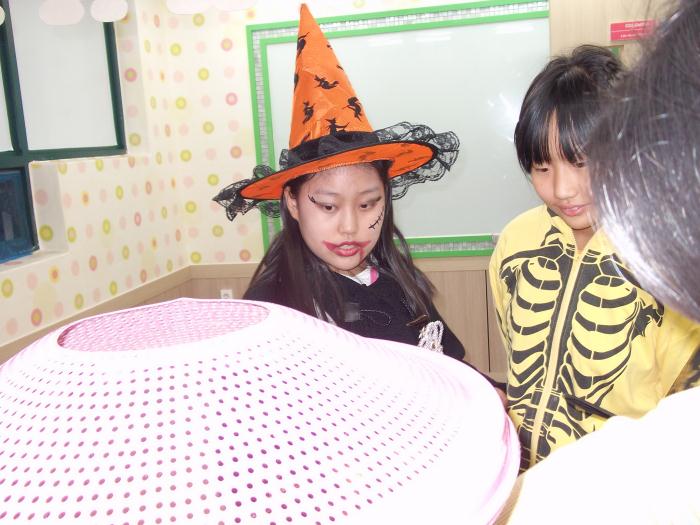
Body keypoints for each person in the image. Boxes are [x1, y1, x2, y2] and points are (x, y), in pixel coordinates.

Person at [498, 0, 700, 521]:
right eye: (541, 167)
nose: (563, 189)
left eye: (582, 162)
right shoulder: (515, 242)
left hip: (623, 500)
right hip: (523, 485)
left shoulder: (662, 253)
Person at [214, 5, 468, 363]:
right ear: (293, 202)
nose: (350, 227)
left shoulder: (399, 280)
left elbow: (449, 363)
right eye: (328, 206)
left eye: (367, 204)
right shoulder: (272, 307)